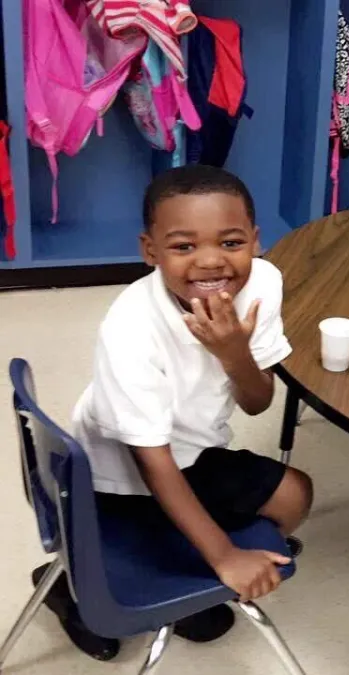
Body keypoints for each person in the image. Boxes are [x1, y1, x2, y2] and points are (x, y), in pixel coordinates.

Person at [32, 165, 314, 661]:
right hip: (120, 475)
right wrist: (224, 557)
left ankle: (189, 571)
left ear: (255, 240)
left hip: (195, 448)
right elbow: (152, 463)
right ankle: (69, 593)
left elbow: (257, 400)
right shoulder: (130, 329)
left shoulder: (264, 284)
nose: (211, 263)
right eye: (184, 247)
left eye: (230, 243)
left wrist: (234, 353)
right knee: (208, 538)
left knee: (296, 495)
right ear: (151, 251)